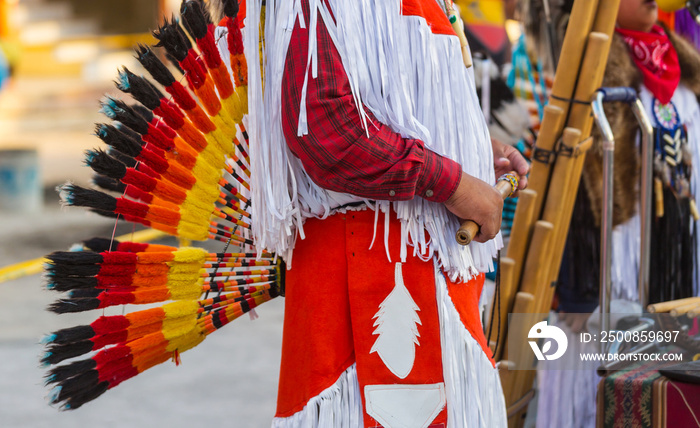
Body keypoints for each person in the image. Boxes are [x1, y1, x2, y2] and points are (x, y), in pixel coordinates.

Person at [241, 0, 529, 426]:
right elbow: (328, 129)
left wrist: (472, 146)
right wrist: (454, 183)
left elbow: (392, 103)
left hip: (430, 268)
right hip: (367, 269)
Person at [535, 0, 700, 426]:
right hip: (605, 268)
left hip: (668, 259)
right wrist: (578, 284)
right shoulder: (587, 69)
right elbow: (567, 183)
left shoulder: (679, 66)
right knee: (592, 380)